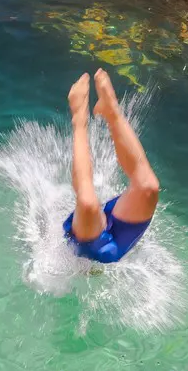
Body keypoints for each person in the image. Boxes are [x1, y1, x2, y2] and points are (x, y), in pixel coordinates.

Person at [63, 69, 160, 265]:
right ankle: (98, 114)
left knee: (91, 203)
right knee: (147, 187)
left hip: (92, 245)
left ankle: (95, 114)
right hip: (103, 246)